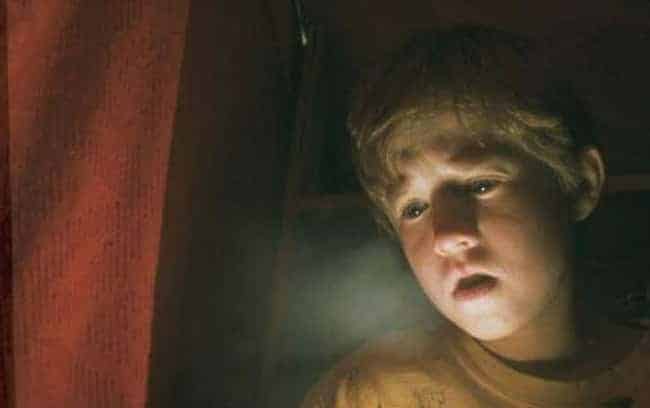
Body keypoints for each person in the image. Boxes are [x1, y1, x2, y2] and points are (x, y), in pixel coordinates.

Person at [301, 26, 650, 407]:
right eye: (414, 209)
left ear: (581, 184)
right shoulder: (366, 395)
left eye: (480, 185)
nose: (446, 236)